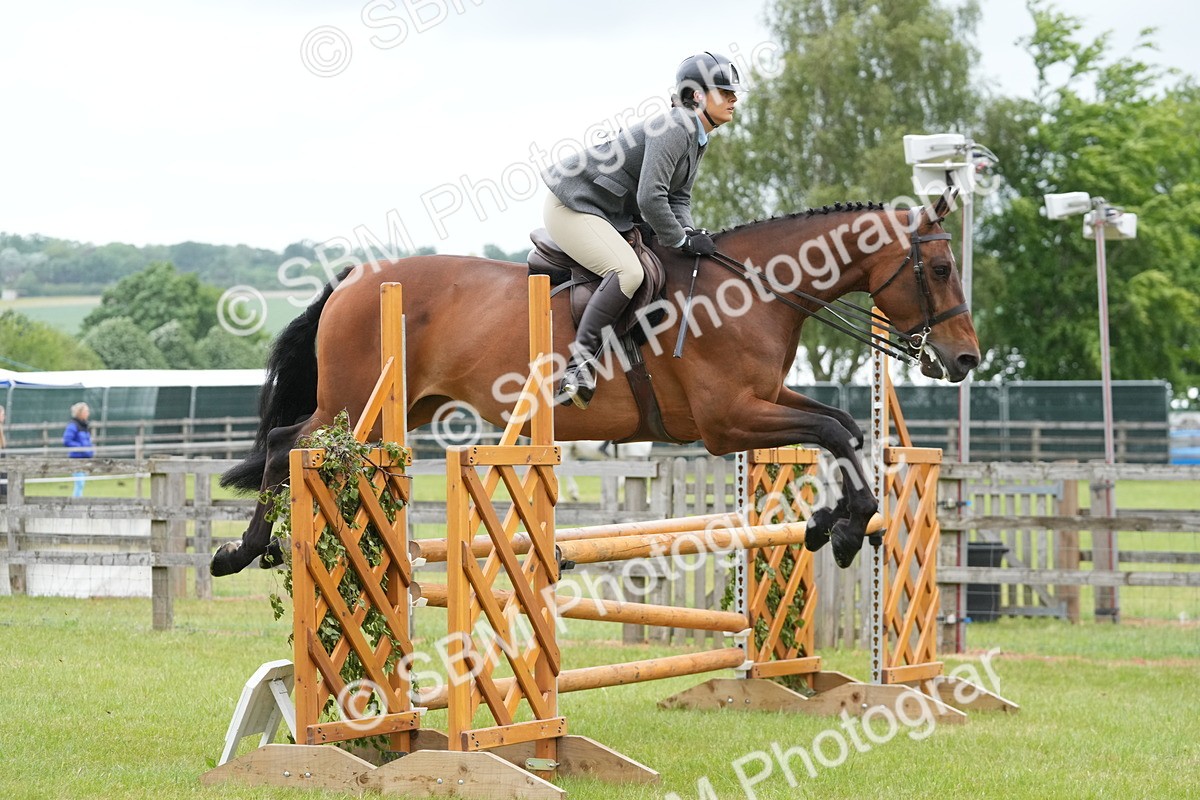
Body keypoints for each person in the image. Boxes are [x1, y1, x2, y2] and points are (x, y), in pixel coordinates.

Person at [541, 51, 743, 409]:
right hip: (573, 205)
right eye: (724, 92)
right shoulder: (676, 127)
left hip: (608, 212)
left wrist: (689, 232)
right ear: (697, 95)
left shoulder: (697, 137)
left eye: (733, 93)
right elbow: (651, 198)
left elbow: (678, 197)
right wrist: (679, 239)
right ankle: (578, 368)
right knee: (629, 272)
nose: (734, 99)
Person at [63, 402, 94, 497]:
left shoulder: (84, 426)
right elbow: (67, 440)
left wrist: (89, 450)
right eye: (86, 411)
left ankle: (77, 501)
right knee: (80, 483)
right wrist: (81, 448)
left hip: (85, 458)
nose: (88, 413)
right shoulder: (73, 426)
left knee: (81, 484)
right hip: (76, 458)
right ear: (80, 413)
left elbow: (87, 441)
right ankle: (76, 503)